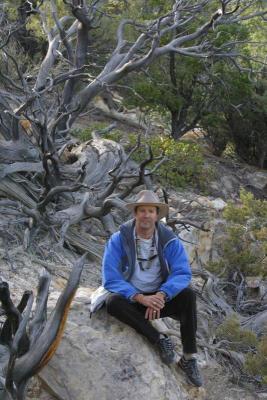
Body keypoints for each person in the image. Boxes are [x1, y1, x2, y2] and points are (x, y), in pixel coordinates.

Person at [102, 190, 202, 387]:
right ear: (135, 213)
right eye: (142, 211)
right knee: (112, 302)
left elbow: (182, 273)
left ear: (157, 216)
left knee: (188, 295)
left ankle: (189, 358)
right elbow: (110, 277)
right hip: (134, 301)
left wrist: (162, 295)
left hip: (158, 298)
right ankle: (159, 339)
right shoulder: (119, 239)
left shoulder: (169, 239)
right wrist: (139, 297)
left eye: (151, 211)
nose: (146, 215)